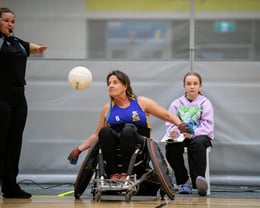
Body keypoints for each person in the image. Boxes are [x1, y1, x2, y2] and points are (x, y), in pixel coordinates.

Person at [67, 70, 194, 182]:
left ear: (125, 85)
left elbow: (166, 115)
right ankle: (113, 173)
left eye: (115, 82)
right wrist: (78, 150)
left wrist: (180, 124)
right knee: (104, 131)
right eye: (109, 83)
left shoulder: (141, 102)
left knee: (128, 129)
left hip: (137, 141)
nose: (110, 86)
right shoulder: (107, 109)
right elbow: (96, 135)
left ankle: (125, 173)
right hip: (115, 144)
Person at [0, 7, 47, 199]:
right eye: (6, 20)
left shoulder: (17, 42)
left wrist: (39, 48)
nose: (10, 24)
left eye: (13, 21)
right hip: (0, 97)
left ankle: (10, 187)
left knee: (14, 144)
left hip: (19, 99)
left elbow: (32, 48)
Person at [165, 71, 214, 196]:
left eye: (195, 83)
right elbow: (170, 123)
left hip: (200, 136)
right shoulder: (176, 103)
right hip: (182, 136)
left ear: (200, 86)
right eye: (188, 84)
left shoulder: (205, 103)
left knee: (197, 144)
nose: (192, 86)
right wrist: (173, 131)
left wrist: (192, 134)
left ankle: (199, 181)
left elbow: (208, 126)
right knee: (171, 147)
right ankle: (184, 181)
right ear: (184, 86)